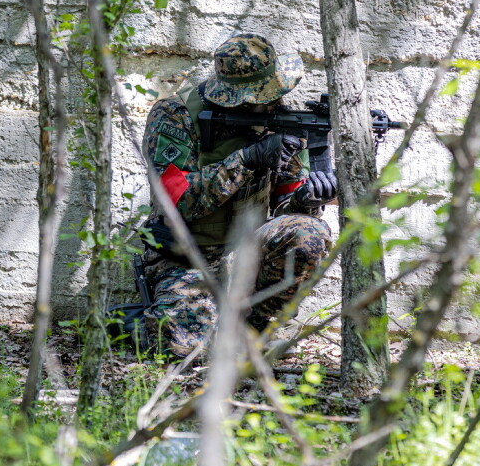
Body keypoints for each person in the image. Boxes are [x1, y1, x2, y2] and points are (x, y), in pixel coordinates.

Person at [139, 33, 338, 358]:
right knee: (182, 350)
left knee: (309, 233)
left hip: (248, 251)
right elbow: (177, 202)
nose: (275, 102)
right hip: (187, 256)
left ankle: (254, 329)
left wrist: (309, 200)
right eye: (265, 96)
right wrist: (247, 159)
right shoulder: (176, 116)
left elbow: (286, 207)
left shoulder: (278, 119)